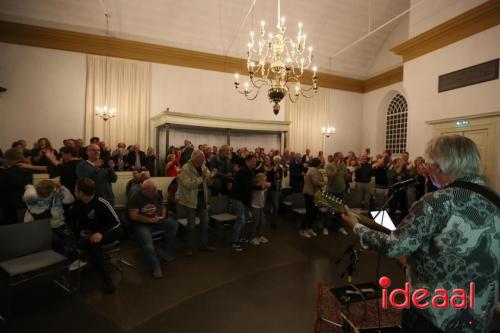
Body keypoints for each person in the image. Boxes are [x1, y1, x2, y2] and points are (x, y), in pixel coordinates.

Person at [341, 135, 500, 333]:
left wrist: (357, 227)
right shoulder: (494, 198)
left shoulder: (437, 201)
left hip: (436, 315)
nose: (425, 169)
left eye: (427, 163)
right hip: (481, 312)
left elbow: (395, 246)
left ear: (441, 166)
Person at [66, 177, 121, 293]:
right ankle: (107, 280)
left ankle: (107, 281)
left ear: (81, 192)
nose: (74, 191)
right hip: (88, 236)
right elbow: (70, 222)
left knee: (92, 244)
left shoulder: (102, 203)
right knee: (92, 244)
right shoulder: (77, 205)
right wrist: (78, 231)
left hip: (106, 233)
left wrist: (100, 233)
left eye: (76, 189)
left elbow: (116, 223)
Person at [127, 179, 178, 278]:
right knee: (148, 246)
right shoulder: (135, 198)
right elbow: (133, 216)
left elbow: (162, 206)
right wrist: (149, 220)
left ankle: (166, 252)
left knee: (173, 225)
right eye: (151, 192)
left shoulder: (155, 194)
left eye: (154, 191)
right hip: (141, 224)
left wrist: (163, 215)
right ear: (143, 190)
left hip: (156, 221)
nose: (154, 193)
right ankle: (155, 265)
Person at [177, 150, 217, 256]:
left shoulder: (203, 167)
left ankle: (204, 244)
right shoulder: (185, 169)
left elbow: (208, 182)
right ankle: (189, 247)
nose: (204, 159)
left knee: (205, 223)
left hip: (202, 200)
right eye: (202, 157)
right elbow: (187, 185)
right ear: (195, 159)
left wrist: (211, 177)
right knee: (191, 225)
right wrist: (202, 178)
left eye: (204, 157)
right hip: (190, 201)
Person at [22, 180, 75, 256]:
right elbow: (28, 191)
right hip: (41, 227)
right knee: (57, 243)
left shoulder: (56, 194)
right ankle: (62, 258)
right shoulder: (31, 196)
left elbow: (70, 200)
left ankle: (70, 257)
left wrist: (62, 187)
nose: (44, 196)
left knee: (70, 238)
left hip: (58, 224)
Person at [230, 154, 261, 251]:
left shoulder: (247, 171)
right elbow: (247, 186)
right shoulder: (244, 171)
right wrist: (260, 187)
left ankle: (239, 237)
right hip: (238, 198)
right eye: (254, 161)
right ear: (248, 161)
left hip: (243, 199)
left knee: (245, 218)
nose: (255, 163)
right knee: (241, 219)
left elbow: (248, 185)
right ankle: (234, 242)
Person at [0, 149, 34, 224]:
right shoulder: (31, 170)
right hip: (28, 206)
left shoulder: (7, 173)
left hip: (11, 208)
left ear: (8, 159)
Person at [324, 152, 348, 236]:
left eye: (342, 158)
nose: (341, 159)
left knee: (340, 210)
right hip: (331, 190)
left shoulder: (343, 165)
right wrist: (337, 168)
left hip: (341, 190)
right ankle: (326, 227)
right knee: (330, 209)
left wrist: (348, 174)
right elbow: (330, 176)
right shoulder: (330, 165)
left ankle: (340, 227)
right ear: (335, 157)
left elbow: (345, 177)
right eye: (340, 157)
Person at [300, 157, 323, 238]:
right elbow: (315, 182)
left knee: (314, 212)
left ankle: (309, 228)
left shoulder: (313, 170)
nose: (322, 163)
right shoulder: (313, 170)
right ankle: (303, 229)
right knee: (309, 212)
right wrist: (324, 183)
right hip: (310, 193)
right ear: (318, 163)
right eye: (321, 162)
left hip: (313, 193)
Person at [250, 173, 271, 246]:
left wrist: (263, 203)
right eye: (263, 179)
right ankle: (253, 238)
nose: (265, 180)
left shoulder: (263, 185)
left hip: (261, 206)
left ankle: (260, 236)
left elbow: (268, 185)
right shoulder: (256, 186)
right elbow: (263, 186)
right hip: (255, 205)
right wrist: (264, 183)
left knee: (262, 221)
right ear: (259, 179)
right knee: (256, 222)